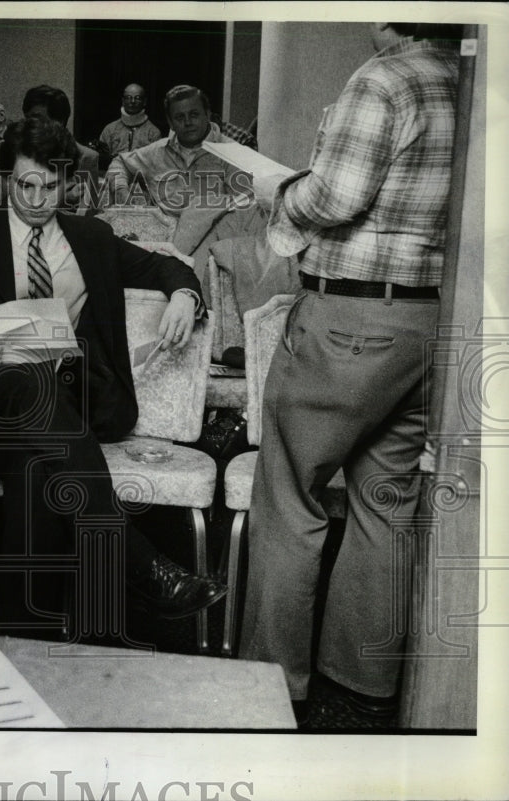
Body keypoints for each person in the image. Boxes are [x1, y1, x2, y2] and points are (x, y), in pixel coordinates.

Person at [0, 114, 226, 630]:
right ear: (7, 178)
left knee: (35, 467)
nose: (35, 198)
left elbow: (166, 266)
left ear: (70, 183)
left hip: (58, 406)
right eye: (25, 184)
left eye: (50, 186)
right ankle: (136, 562)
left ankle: (21, 635)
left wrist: (186, 294)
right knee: (25, 388)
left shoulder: (91, 237)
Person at [239, 22, 460, 725]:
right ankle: (361, 686)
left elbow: (334, 198)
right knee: (385, 502)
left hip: (348, 322)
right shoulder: (465, 79)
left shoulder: (384, 78)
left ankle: (272, 686)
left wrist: (280, 191)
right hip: (424, 322)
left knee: (288, 499)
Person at [105, 84, 248, 212]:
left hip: (213, 236)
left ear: (207, 114)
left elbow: (242, 212)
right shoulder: (158, 151)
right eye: (179, 117)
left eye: (194, 114)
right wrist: (121, 190)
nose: (187, 122)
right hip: (164, 233)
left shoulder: (233, 154)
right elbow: (120, 162)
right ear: (170, 123)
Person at [21, 84, 100, 210]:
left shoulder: (86, 157)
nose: (31, 125)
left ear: (59, 122)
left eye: (37, 119)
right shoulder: (14, 148)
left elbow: (90, 210)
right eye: (28, 118)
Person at [98, 83, 162, 158]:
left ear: (144, 101)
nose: (132, 101)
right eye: (128, 97)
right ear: (123, 101)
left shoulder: (153, 133)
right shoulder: (110, 130)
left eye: (137, 98)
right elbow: (101, 160)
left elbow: (157, 162)